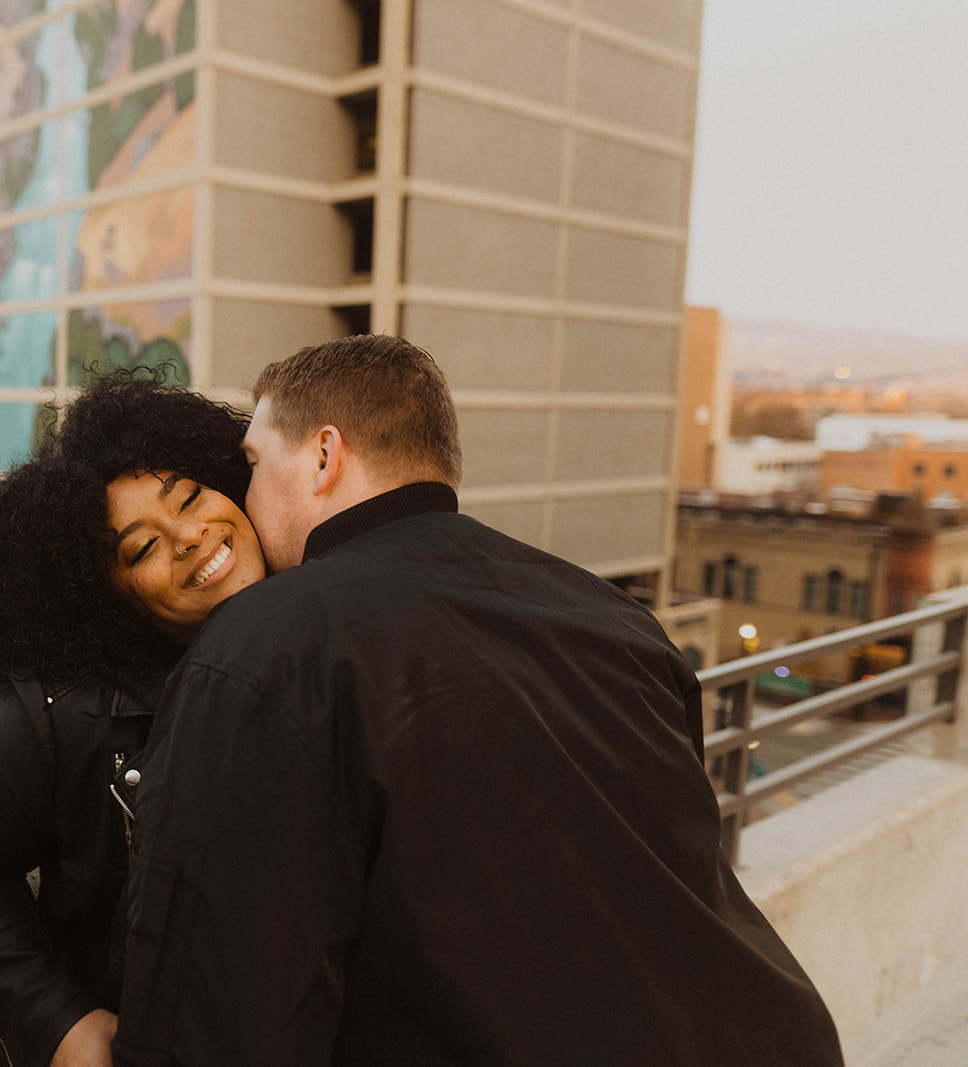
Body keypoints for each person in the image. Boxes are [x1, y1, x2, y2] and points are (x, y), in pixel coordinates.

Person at [112, 335, 843, 1066]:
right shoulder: (616, 616)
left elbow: (212, 1013)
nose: (244, 496)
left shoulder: (266, 644)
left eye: (252, 464)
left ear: (324, 456)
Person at [0, 372, 265, 1067]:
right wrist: (56, 1023)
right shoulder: (67, 709)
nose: (189, 535)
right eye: (141, 548)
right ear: (108, 598)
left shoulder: (331, 630)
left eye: (189, 496)